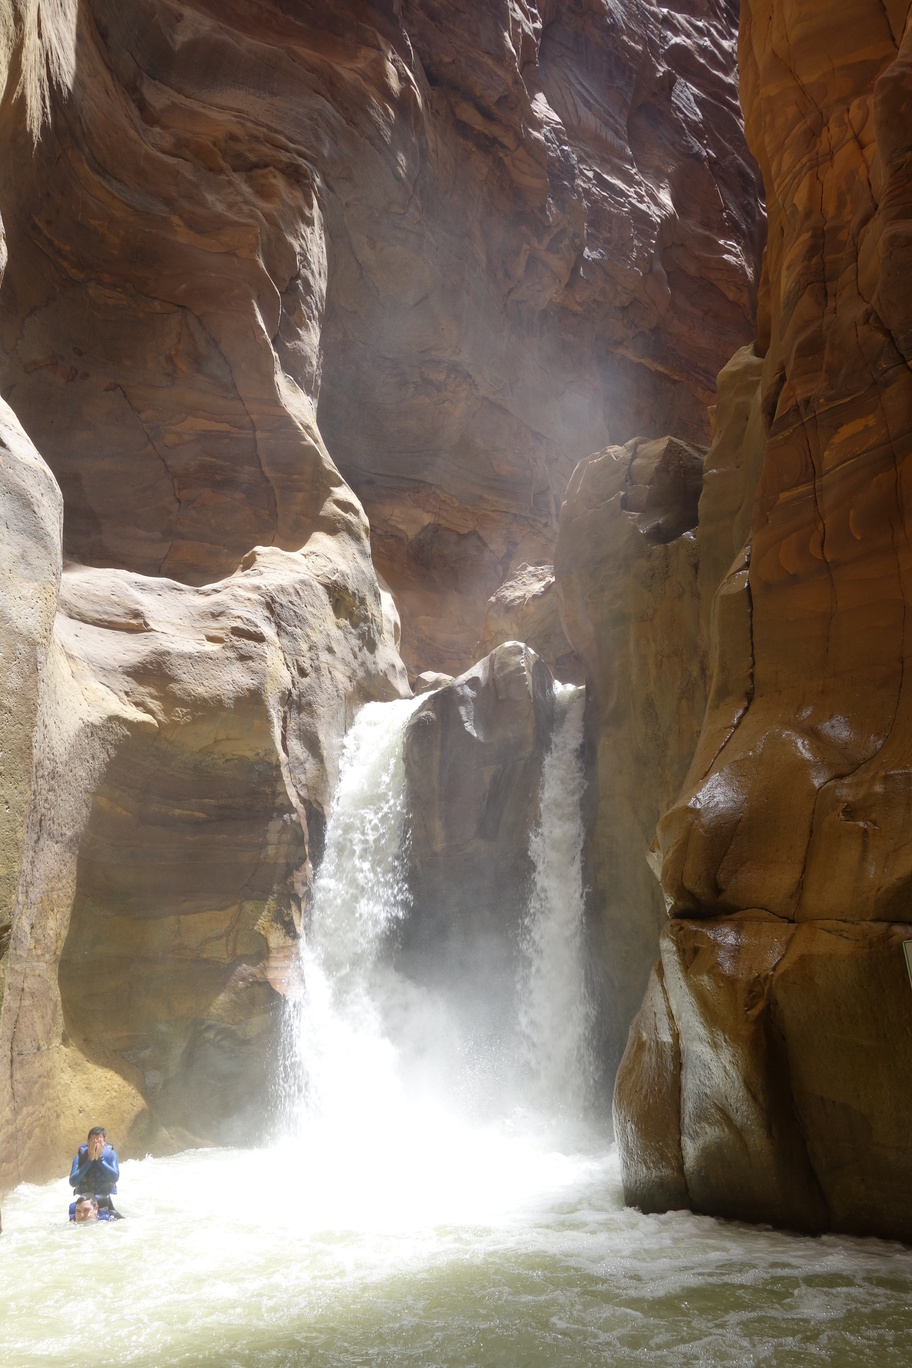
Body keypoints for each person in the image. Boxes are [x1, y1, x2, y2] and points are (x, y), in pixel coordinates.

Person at [69, 1126, 119, 1202]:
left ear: (104, 1141)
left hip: (105, 1197)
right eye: (93, 1141)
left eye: (99, 1142)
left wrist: (100, 1160)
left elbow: (115, 1178)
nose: (96, 1145)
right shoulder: (80, 1156)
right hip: (86, 1199)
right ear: (88, 1141)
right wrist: (89, 1160)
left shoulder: (111, 1154)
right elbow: (72, 1182)